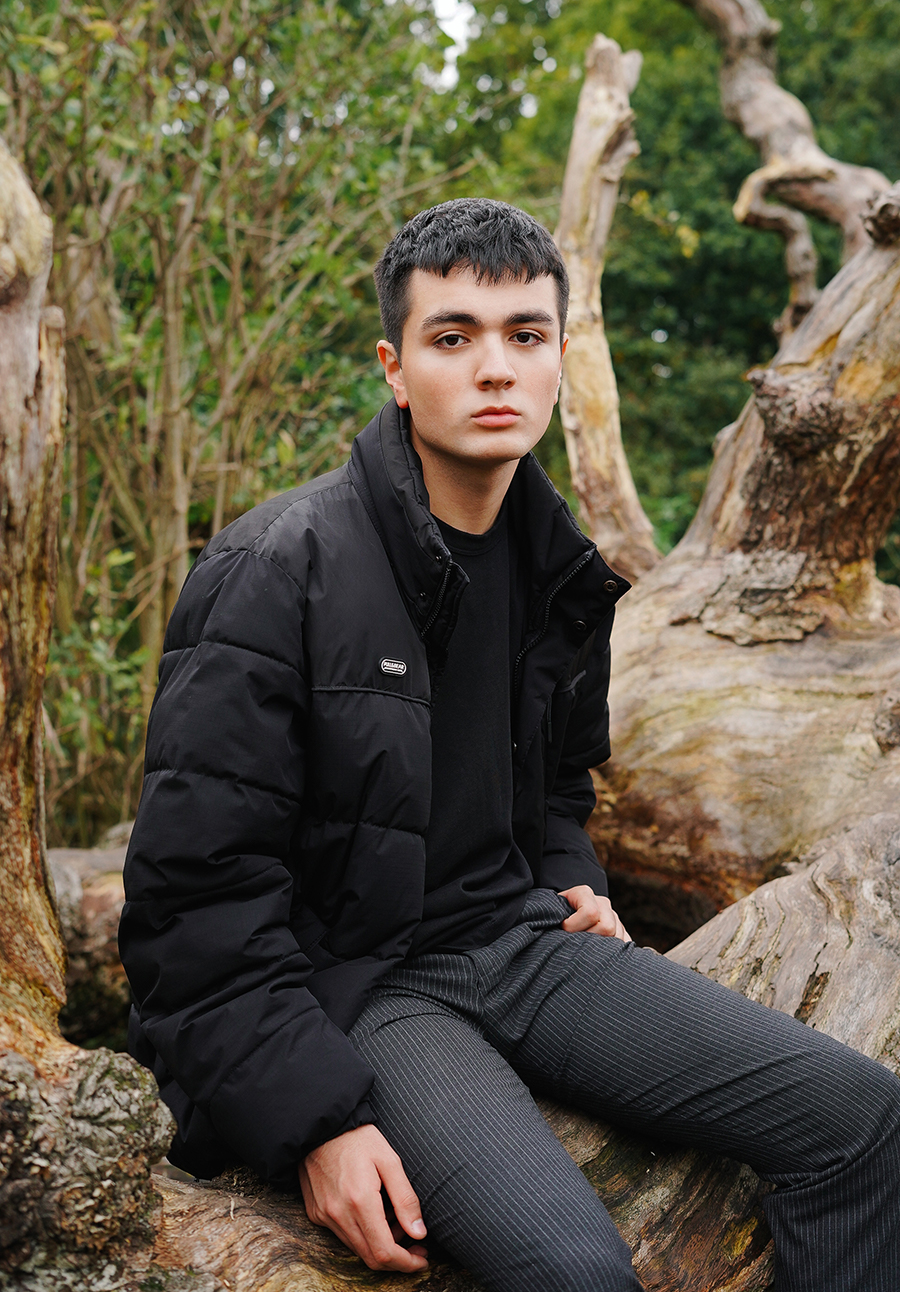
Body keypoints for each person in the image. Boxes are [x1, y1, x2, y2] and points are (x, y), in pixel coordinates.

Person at [119, 198, 900, 1292]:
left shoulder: (559, 566)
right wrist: (315, 1120)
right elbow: (191, 902)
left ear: (559, 359)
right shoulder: (273, 570)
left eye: (525, 334)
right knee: (578, 1271)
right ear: (396, 368)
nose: (495, 368)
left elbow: (561, 783)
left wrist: (572, 875)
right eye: (453, 336)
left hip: (524, 946)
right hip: (360, 986)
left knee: (863, 1122)